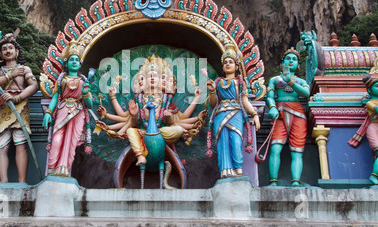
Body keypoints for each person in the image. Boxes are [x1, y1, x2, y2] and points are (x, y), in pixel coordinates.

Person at [97, 54, 203, 166]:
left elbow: (183, 118)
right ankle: (140, 156)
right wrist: (117, 102)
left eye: (155, 76)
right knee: (130, 131)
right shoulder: (139, 100)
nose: (152, 78)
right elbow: (124, 117)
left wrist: (195, 99)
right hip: (142, 133)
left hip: (160, 134)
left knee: (178, 129)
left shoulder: (165, 100)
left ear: (162, 80)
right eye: (149, 76)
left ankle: (152, 138)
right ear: (143, 81)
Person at [0, 33, 38, 183]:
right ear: (1, 55)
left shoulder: (24, 69)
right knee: (1, 146)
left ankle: (22, 181)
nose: (8, 51)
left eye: (11, 48)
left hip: (20, 106)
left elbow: (34, 86)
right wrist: (11, 75)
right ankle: (3, 181)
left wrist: (17, 98)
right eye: (4, 49)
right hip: (3, 108)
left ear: (17, 52)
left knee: (20, 143)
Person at [206, 43, 260, 179]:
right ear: (223, 67)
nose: (228, 64)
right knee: (222, 143)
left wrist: (255, 114)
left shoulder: (239, 82)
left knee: (236, 141)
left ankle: (238, 169)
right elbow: (212, 104)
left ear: (237, 66)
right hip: (220, 114)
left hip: (236, 113)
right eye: (225, 63)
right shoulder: (218, 83)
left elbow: (245, 100)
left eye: (231, 62)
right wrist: (212, 91)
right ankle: (226, 170)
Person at [42, 40, 93, 177]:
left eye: (77, 59)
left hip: (78, 112)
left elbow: (90, 104)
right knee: (57, 139)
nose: (74, 62)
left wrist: (85, 93)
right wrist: (48, 112)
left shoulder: (83, 82)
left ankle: (64, 169)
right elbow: (55, 96)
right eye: (71, 59)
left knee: (71, 143)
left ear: (80, 63)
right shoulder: (61, 79)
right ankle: (52, 170)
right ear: (66, 63)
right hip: (63, 109)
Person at [266, 47, 310, 187]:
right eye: (288, 59)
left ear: (298, 65)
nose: (291, 61)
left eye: (294, 59)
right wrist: (272, 107)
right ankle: (273, 181)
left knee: (297, 151)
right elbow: (270, 97)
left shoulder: (301, 81)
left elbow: (306, 94)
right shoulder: (274, 79)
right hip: (279, 114)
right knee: (275, 148)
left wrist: (290, 81)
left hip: (298, 114)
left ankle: (295, 181)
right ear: (282, 63)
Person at [348, 67, 378, 184]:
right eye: (377, 86)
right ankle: (374, 176)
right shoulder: (371, 103)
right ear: (369, 91)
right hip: (373, 128)